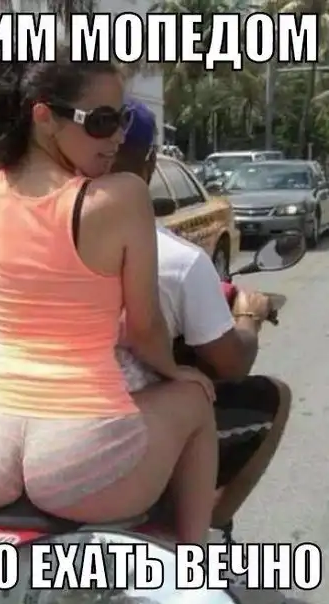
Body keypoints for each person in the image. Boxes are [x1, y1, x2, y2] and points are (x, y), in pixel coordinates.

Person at [0, 47, 219, 544]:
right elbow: (145, 330)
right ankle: (196, 565)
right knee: (196, 401)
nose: (118, 136)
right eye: (102, 121)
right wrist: (177, 372)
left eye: (123, 119)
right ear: (44, 117)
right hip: (81, 456)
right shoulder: (121, 195)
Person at [112, 99, 292, 544]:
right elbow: (231, 363)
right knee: (258, 395)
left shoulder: (32, 238)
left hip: (31, 418)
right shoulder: (174, 259)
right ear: (150, 162)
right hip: (123, 428)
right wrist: (247, 316)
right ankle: (208, 527)